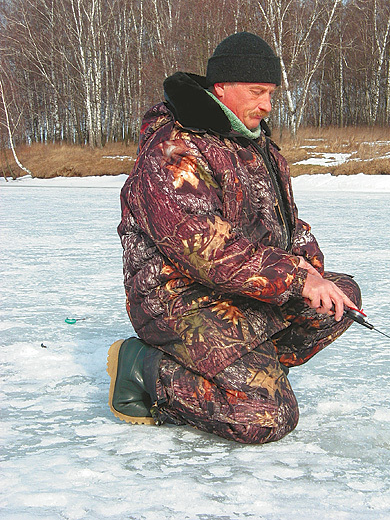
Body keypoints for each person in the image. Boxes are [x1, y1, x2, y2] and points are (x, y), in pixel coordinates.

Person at [107, 32, 361, 444]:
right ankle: (147, 367)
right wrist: (296, 278)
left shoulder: (257, 146)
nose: (267, 105)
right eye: (257, 92)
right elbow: (204, 247)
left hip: (234, 291)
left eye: (271, 93)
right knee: (266, 419)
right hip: (179, 298)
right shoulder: (175, 148)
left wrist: (312, 271)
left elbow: (286, 226)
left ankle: (245, 369)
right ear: (220, 87)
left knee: (339, 301)